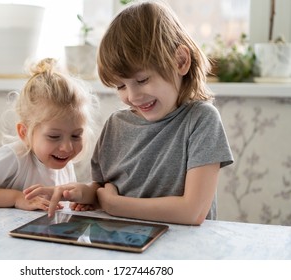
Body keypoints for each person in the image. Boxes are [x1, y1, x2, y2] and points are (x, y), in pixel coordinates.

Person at [24, 0, 233, 225]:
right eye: (121, 86)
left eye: (142, 80)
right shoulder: (116, 124)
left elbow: (192, 212)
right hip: (120, 241)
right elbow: (103, 190)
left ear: (180, 61)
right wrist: (82, 193)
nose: (132, 97)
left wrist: (115, 205)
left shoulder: (201, 120)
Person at [0, 58, 99, 211]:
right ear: (24, 132)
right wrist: (16, 198)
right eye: (54, 136)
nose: (67, 147)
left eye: (76, 136)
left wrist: (77, 202)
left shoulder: (64, 165)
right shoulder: (14, 157)